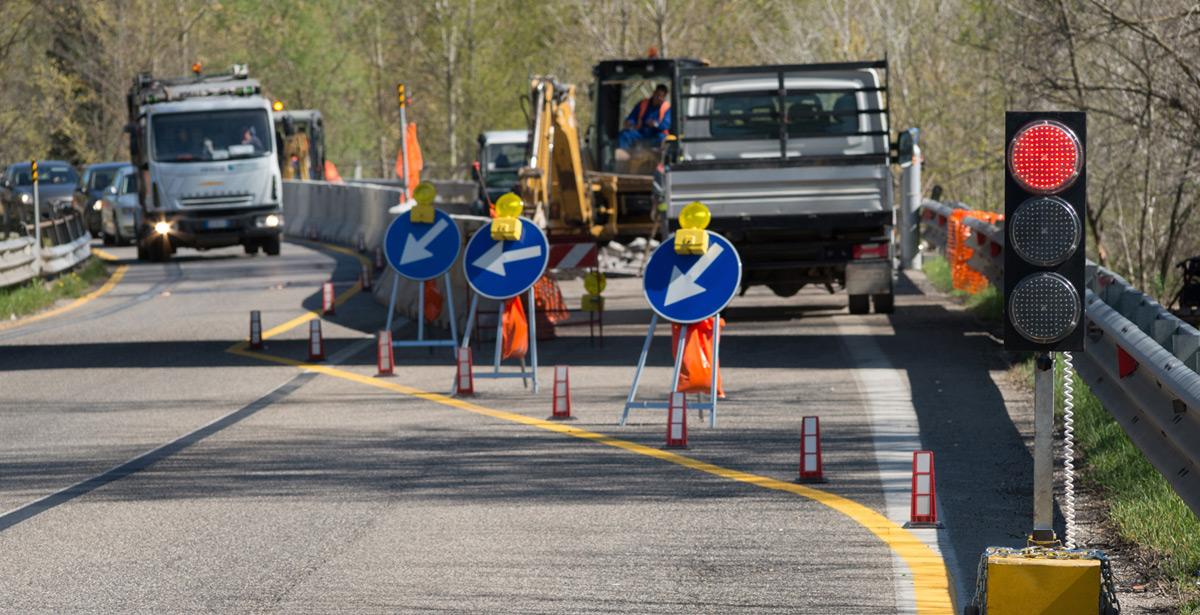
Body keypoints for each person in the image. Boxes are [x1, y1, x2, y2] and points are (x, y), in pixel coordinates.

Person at [618, 84, 672, 152]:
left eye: (662, 96)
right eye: (657, 95)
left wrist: (655, 124)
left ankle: (655, 157)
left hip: (655, 135)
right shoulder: (642, 104)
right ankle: (623, 158)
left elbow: (666, 124)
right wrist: (630, 122)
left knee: (661, 137)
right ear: (654, 93)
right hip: (641, 134)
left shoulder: (667, 108)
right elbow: (632, 117)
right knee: (624, 135)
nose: (659, 98)